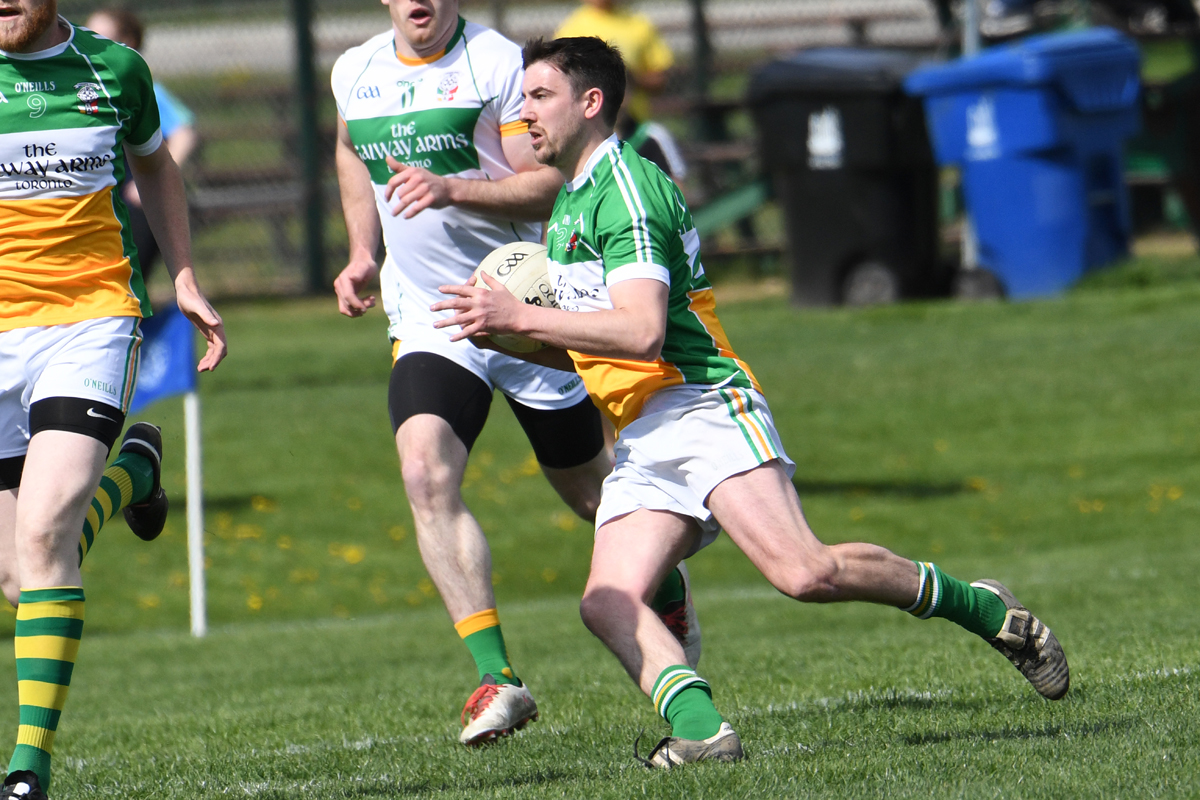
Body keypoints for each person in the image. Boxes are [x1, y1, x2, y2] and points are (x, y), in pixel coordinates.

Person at [433, 36, 1071, 768]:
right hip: (641, 430)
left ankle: (987, 610)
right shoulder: (573, 200)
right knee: (607, 601)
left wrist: (524, 318)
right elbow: (598, 342)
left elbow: (642, 334)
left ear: (591, 102)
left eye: (540, 96)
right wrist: (517, 339)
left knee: (807, 574)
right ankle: (703, 733)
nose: (524, 113)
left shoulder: (627, 190)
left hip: (702, 405)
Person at [329, 0, 699, 747]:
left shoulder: (498, 65)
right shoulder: (354, 70)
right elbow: (346, 151)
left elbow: (546, 183)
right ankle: (497, 678)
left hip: (528, 301)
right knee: (425, 471)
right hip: (433, 315)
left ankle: (664, 587)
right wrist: (362, 250)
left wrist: (452, 185)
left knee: (591, 492)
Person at [0, 1, 227, 797]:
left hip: (89, 320)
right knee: (19, 575)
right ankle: (134, 473)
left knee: (46, 526)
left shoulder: (115, 69)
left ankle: (28, 767)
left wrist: (187, 275)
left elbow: (157, 165)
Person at [83, 7, 199, 288]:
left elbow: (184, 134)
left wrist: (147, 184)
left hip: (136, 206)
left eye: (102, 37)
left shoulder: (138, 88)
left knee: (126, 285)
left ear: (128, 43)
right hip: (104, 206)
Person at [555, 0, 686, 180]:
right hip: (591, 133)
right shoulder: (571, 28)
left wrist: (628, 78)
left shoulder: (638, 24)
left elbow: (660, 78)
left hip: (633, 131)